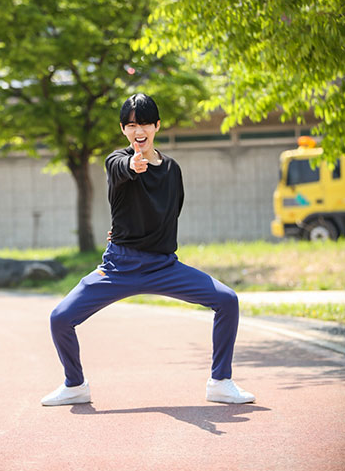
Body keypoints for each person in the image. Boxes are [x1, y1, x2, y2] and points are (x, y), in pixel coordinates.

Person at [42, 93, 255, 406]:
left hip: (163, 267)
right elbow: (121, 167)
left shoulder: (172, 170)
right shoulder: (117, 161)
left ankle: (220, 382)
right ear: (123, 129)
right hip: (119, 267)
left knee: (227, 300)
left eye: (143, 123)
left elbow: (172, 212)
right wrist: (133, 164)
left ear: (157, 125)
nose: (138, 130)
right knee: (60, 318)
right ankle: (75, 385)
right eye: (131, 125)